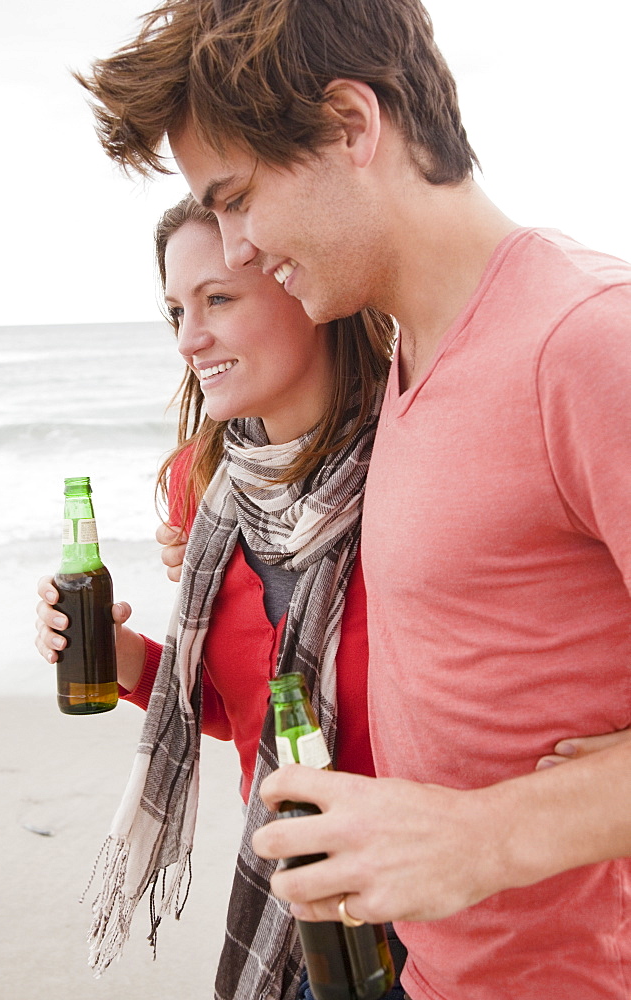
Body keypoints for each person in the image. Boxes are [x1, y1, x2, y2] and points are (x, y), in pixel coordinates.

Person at [71, 3, 631, 998]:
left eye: (236, 197)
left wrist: (482, 836)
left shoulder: (585, 342)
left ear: (348, 125)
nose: (233, 249)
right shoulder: (410, 366)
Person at [35, 193, 400, 1000]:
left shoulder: (417, 458)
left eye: (219, 299)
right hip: (294, 901)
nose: (190, 340)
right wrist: (127, 660)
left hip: (433, 904)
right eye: (175, 311)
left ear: (305, 286)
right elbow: (250, 709)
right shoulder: (200, 486)